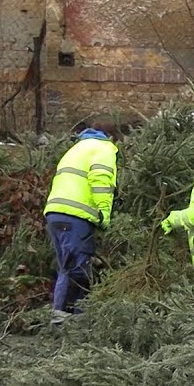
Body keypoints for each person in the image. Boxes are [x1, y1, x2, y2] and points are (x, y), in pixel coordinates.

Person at [42, 118, 120, 326]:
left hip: (55, 213)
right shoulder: (104, 149)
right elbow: (101, 182)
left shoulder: (77, 148)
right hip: (76, 216)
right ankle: (66, 323)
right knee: (77, 270)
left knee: (66, 268)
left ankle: (66, 319)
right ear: (111, 137)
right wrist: (104, 214)